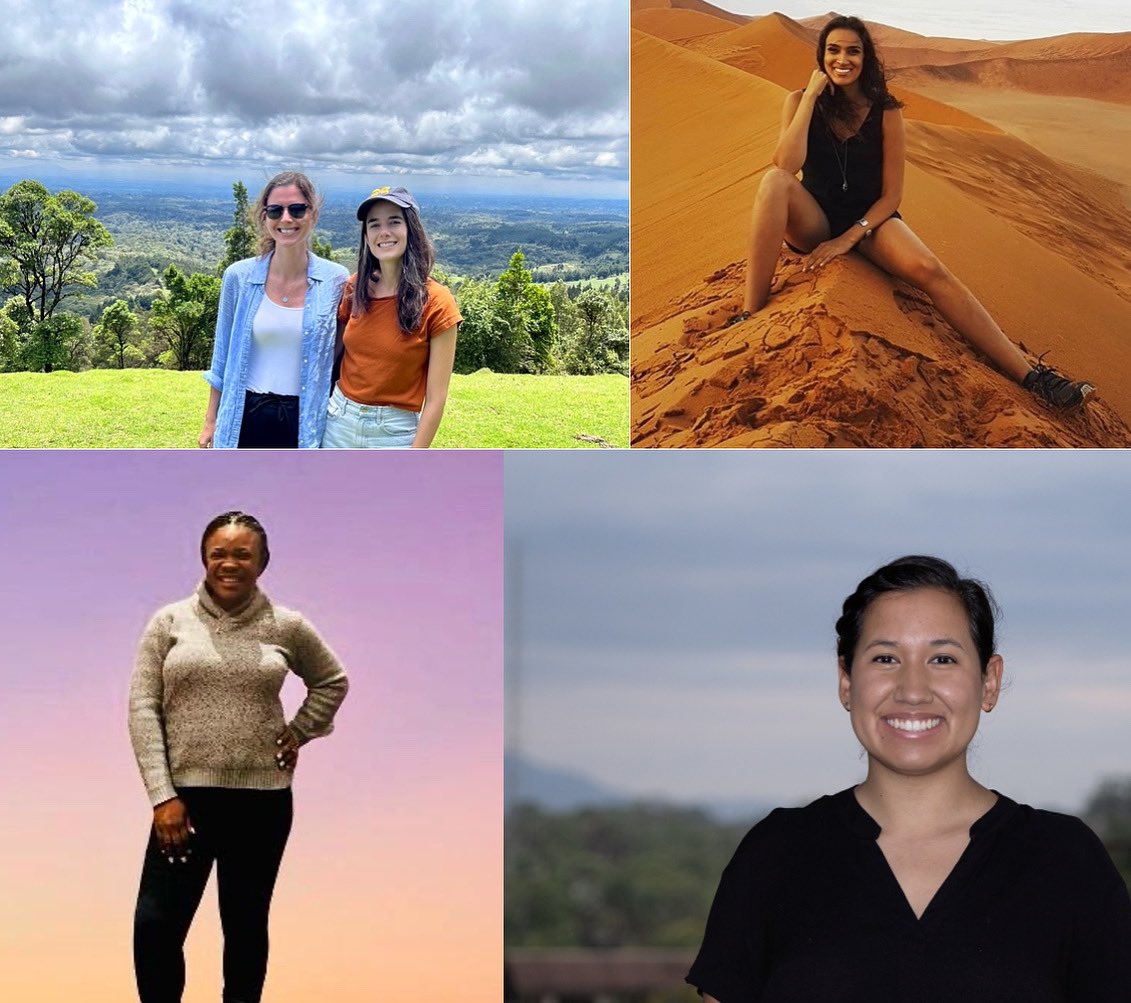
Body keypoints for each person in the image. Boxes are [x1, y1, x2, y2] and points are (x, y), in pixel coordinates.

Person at [687, 555, 1131, 1001]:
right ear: (846, 680)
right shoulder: (775, 857)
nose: (913, 690)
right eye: (885, 658)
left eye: (942, 658)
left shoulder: (1066, 862)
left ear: (989, 681)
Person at [733, 15, 1094, 410]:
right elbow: (787, 165)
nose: (842, 59)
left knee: (930, 270)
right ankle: (749, 314)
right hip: (814, 218)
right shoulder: (799, 101)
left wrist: (850, 237)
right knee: (772, 183)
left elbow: (892, 196)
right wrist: (810, 99)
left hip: (870, 221)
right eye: (833, 50)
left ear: (865, 58)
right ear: (821, 57)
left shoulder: (885, 111)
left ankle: (1033, 377)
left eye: (853, 51)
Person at [129, 511, 348, 1003]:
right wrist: (163, 795)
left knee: (245, 925)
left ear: (263, 562)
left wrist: (300, 731)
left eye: (242, 554)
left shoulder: (287, 626)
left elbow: (332, 681)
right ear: (204, 559)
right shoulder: (169, 623)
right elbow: (143, 707)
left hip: (262, 803)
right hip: (183, 806)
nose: (229, 563)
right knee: (157, 926)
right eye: (218, 554)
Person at [200, 171, 350, 448]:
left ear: (313, 215)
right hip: (243, 416)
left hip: (306, 421)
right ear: (264, 217)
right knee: (240, 492)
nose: (286, 219)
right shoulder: (239, 277)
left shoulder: (336, 280)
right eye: (275, 211)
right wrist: (211, 421)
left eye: (297, 209)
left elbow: (342, 355)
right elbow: (221, 357)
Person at [321, 185, 460, 448]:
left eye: (394, 222)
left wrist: (414, 458)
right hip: (338, 421)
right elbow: (331, 358)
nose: (383, 232)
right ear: (366, 235)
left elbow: (436, 399)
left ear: (411, 229)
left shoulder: (437, 302)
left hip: (393, 433)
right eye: (374, 225)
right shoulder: (355, 288)